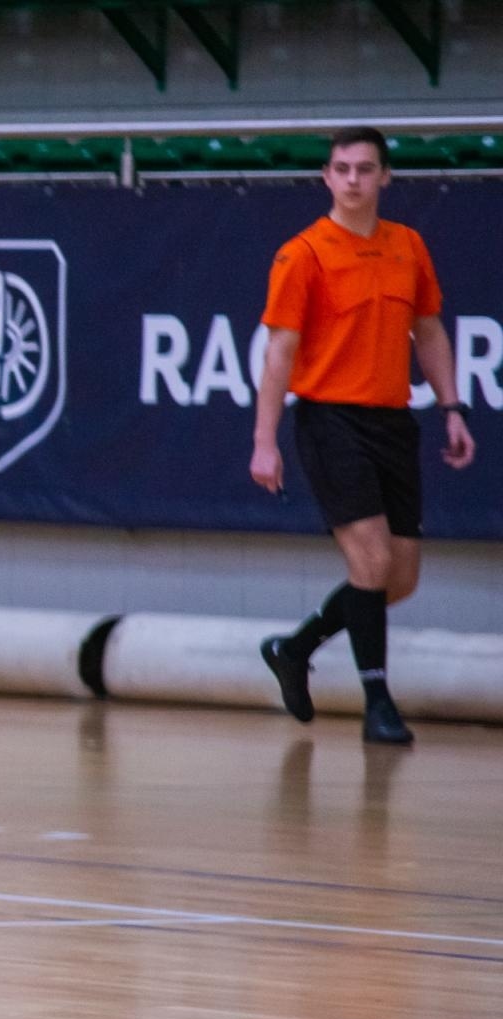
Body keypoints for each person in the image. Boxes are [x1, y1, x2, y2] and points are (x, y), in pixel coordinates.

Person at [250, 126, 477, 745]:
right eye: (342, 169)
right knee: (371, 560)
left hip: (392, 421)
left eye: (365, 169)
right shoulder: (304, 254)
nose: (353, 179)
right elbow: (280, 351)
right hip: (330, 420)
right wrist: (264, 439)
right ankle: (378, 701)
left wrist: (453, 407)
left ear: (385, 178)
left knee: (398, 579)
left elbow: (428, 332)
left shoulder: (408, 246)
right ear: (327, 177)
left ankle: (294, 649)